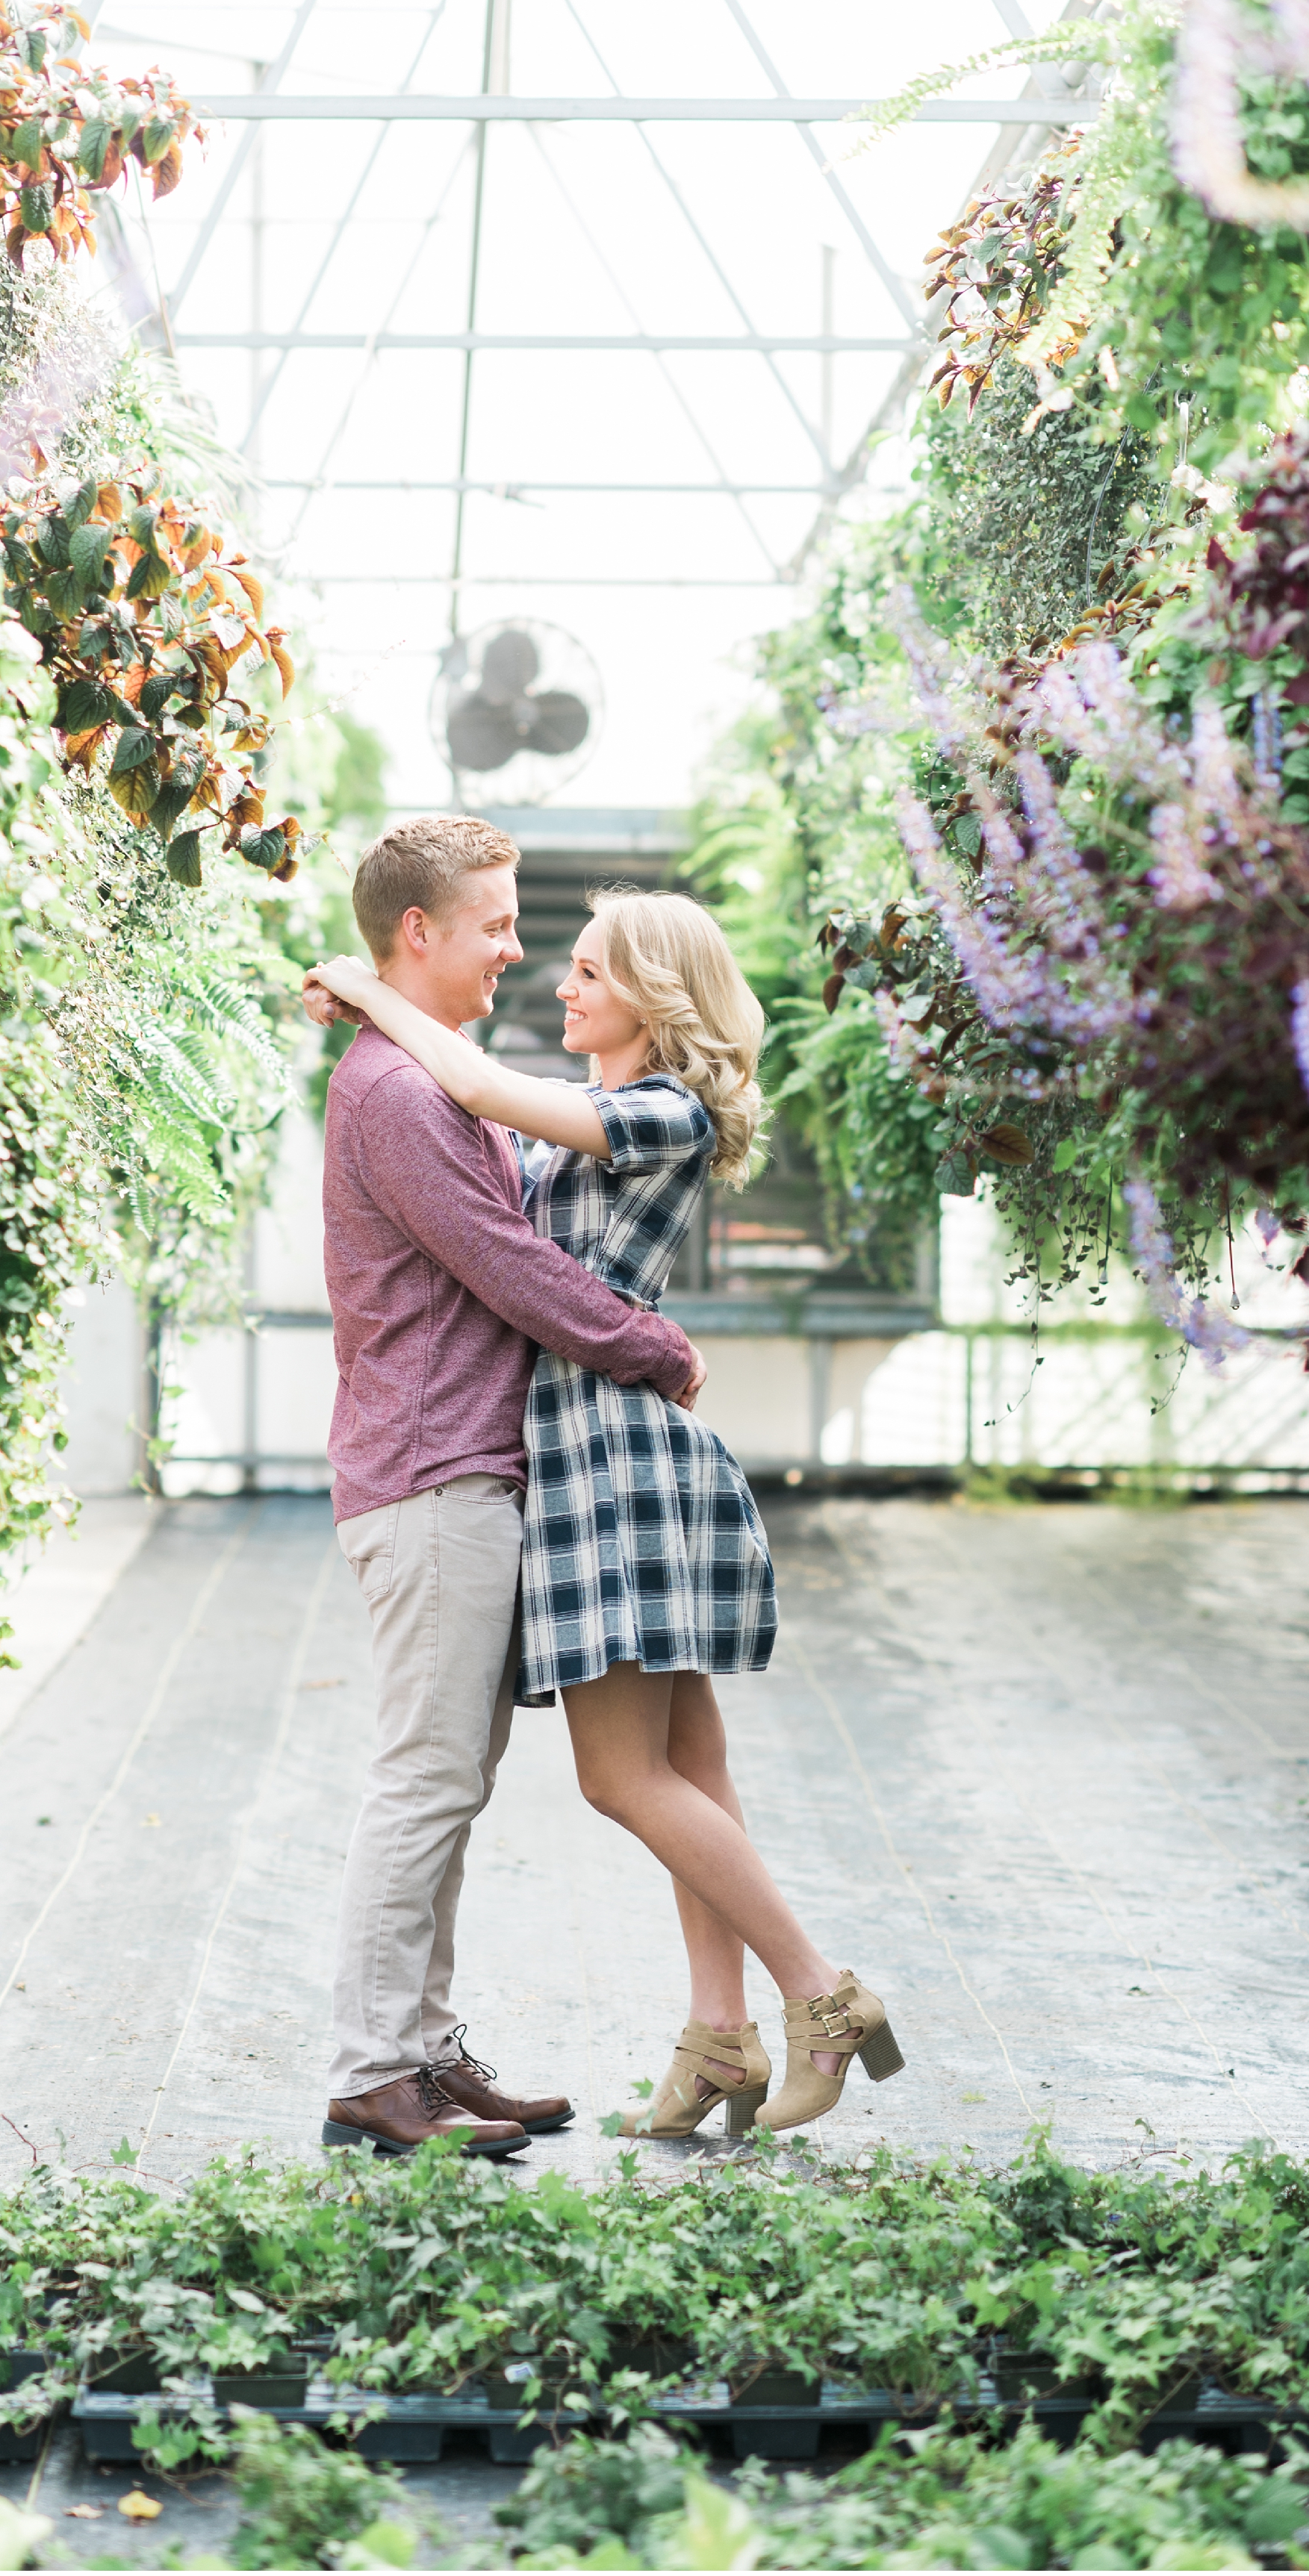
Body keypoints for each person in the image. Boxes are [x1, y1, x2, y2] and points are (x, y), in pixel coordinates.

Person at [307, 884, 903, 2138]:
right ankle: (718, 2037)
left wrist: (367, 995)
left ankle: (822, 1993)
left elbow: (475, 1090)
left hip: (609, 1449)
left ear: (652, 996)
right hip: (602, 1441)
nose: (558, 984)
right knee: (691, 1766)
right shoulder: (600, 1119)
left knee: (622, 1777)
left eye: (587, 971)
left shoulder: (654, 1111)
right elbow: (482, 1124)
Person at [311, 817, 704, 2160]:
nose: (515, 949)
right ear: (418, 932)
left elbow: (520, 1121)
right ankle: (374, 2071)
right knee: (426, 1780)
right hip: (432, 1478)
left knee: (449, 1780)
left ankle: (419, 2054)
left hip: (453, 1474)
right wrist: (654, 1345)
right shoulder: (398, 1096)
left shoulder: (420, 1078)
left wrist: (359, 993)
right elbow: (515, 1269)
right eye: (494, 923)